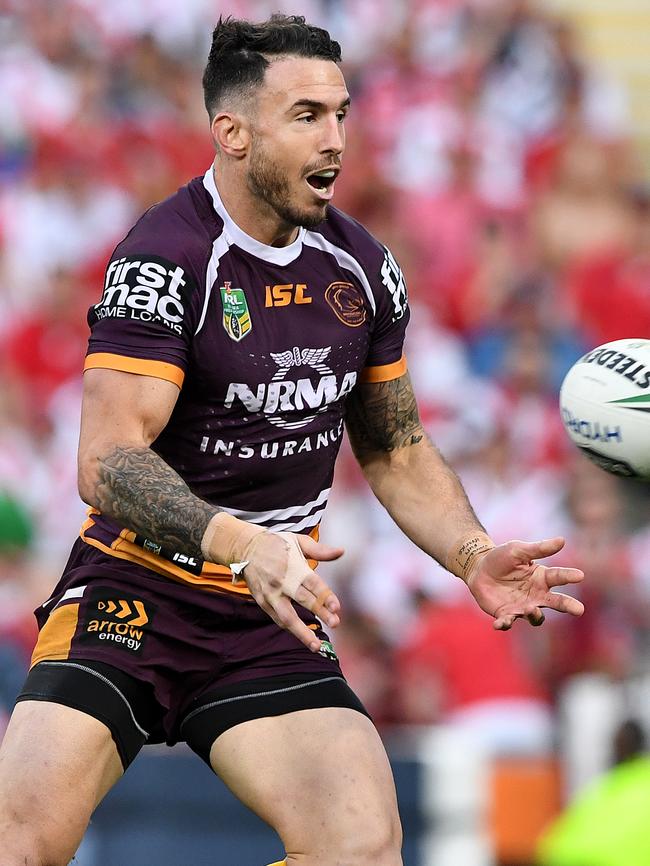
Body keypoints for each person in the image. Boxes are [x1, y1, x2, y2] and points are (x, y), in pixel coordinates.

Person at [0, 15, 585, 866]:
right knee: (21, 844)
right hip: (136, 590)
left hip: (267, 613)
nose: (337, 140)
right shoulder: (166, 258)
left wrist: (470, 552)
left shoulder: (360, 268)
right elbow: (106, 460)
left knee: (362, 847)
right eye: (307, 115)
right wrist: (245, 546)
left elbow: (397, 448)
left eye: (342, 114)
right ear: (233, 132)